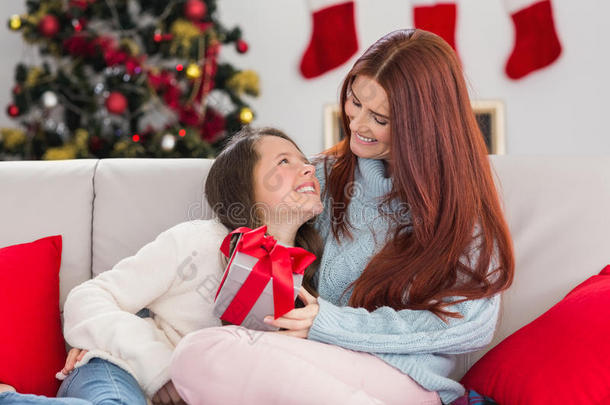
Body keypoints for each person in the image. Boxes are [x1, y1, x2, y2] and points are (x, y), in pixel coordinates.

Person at [169, 29, 515, 405]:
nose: (357, 124)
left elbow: (471, 325)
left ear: (422, 127)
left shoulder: (460, 207)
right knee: (198, 354)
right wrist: (281, 235)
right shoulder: (318, 177)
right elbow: (252, 284)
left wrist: (327, 323)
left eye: (380, 118)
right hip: (314, 364)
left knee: (199, 356)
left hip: (405, 380)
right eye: (354, 101)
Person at [49, 127, 322, 405]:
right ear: (243, 185)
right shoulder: (199, 240)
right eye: (284, 161)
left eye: (305, 161)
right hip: (119, 372)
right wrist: (162, 370)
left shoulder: (308, 275)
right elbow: (87, 298)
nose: (308, 169)